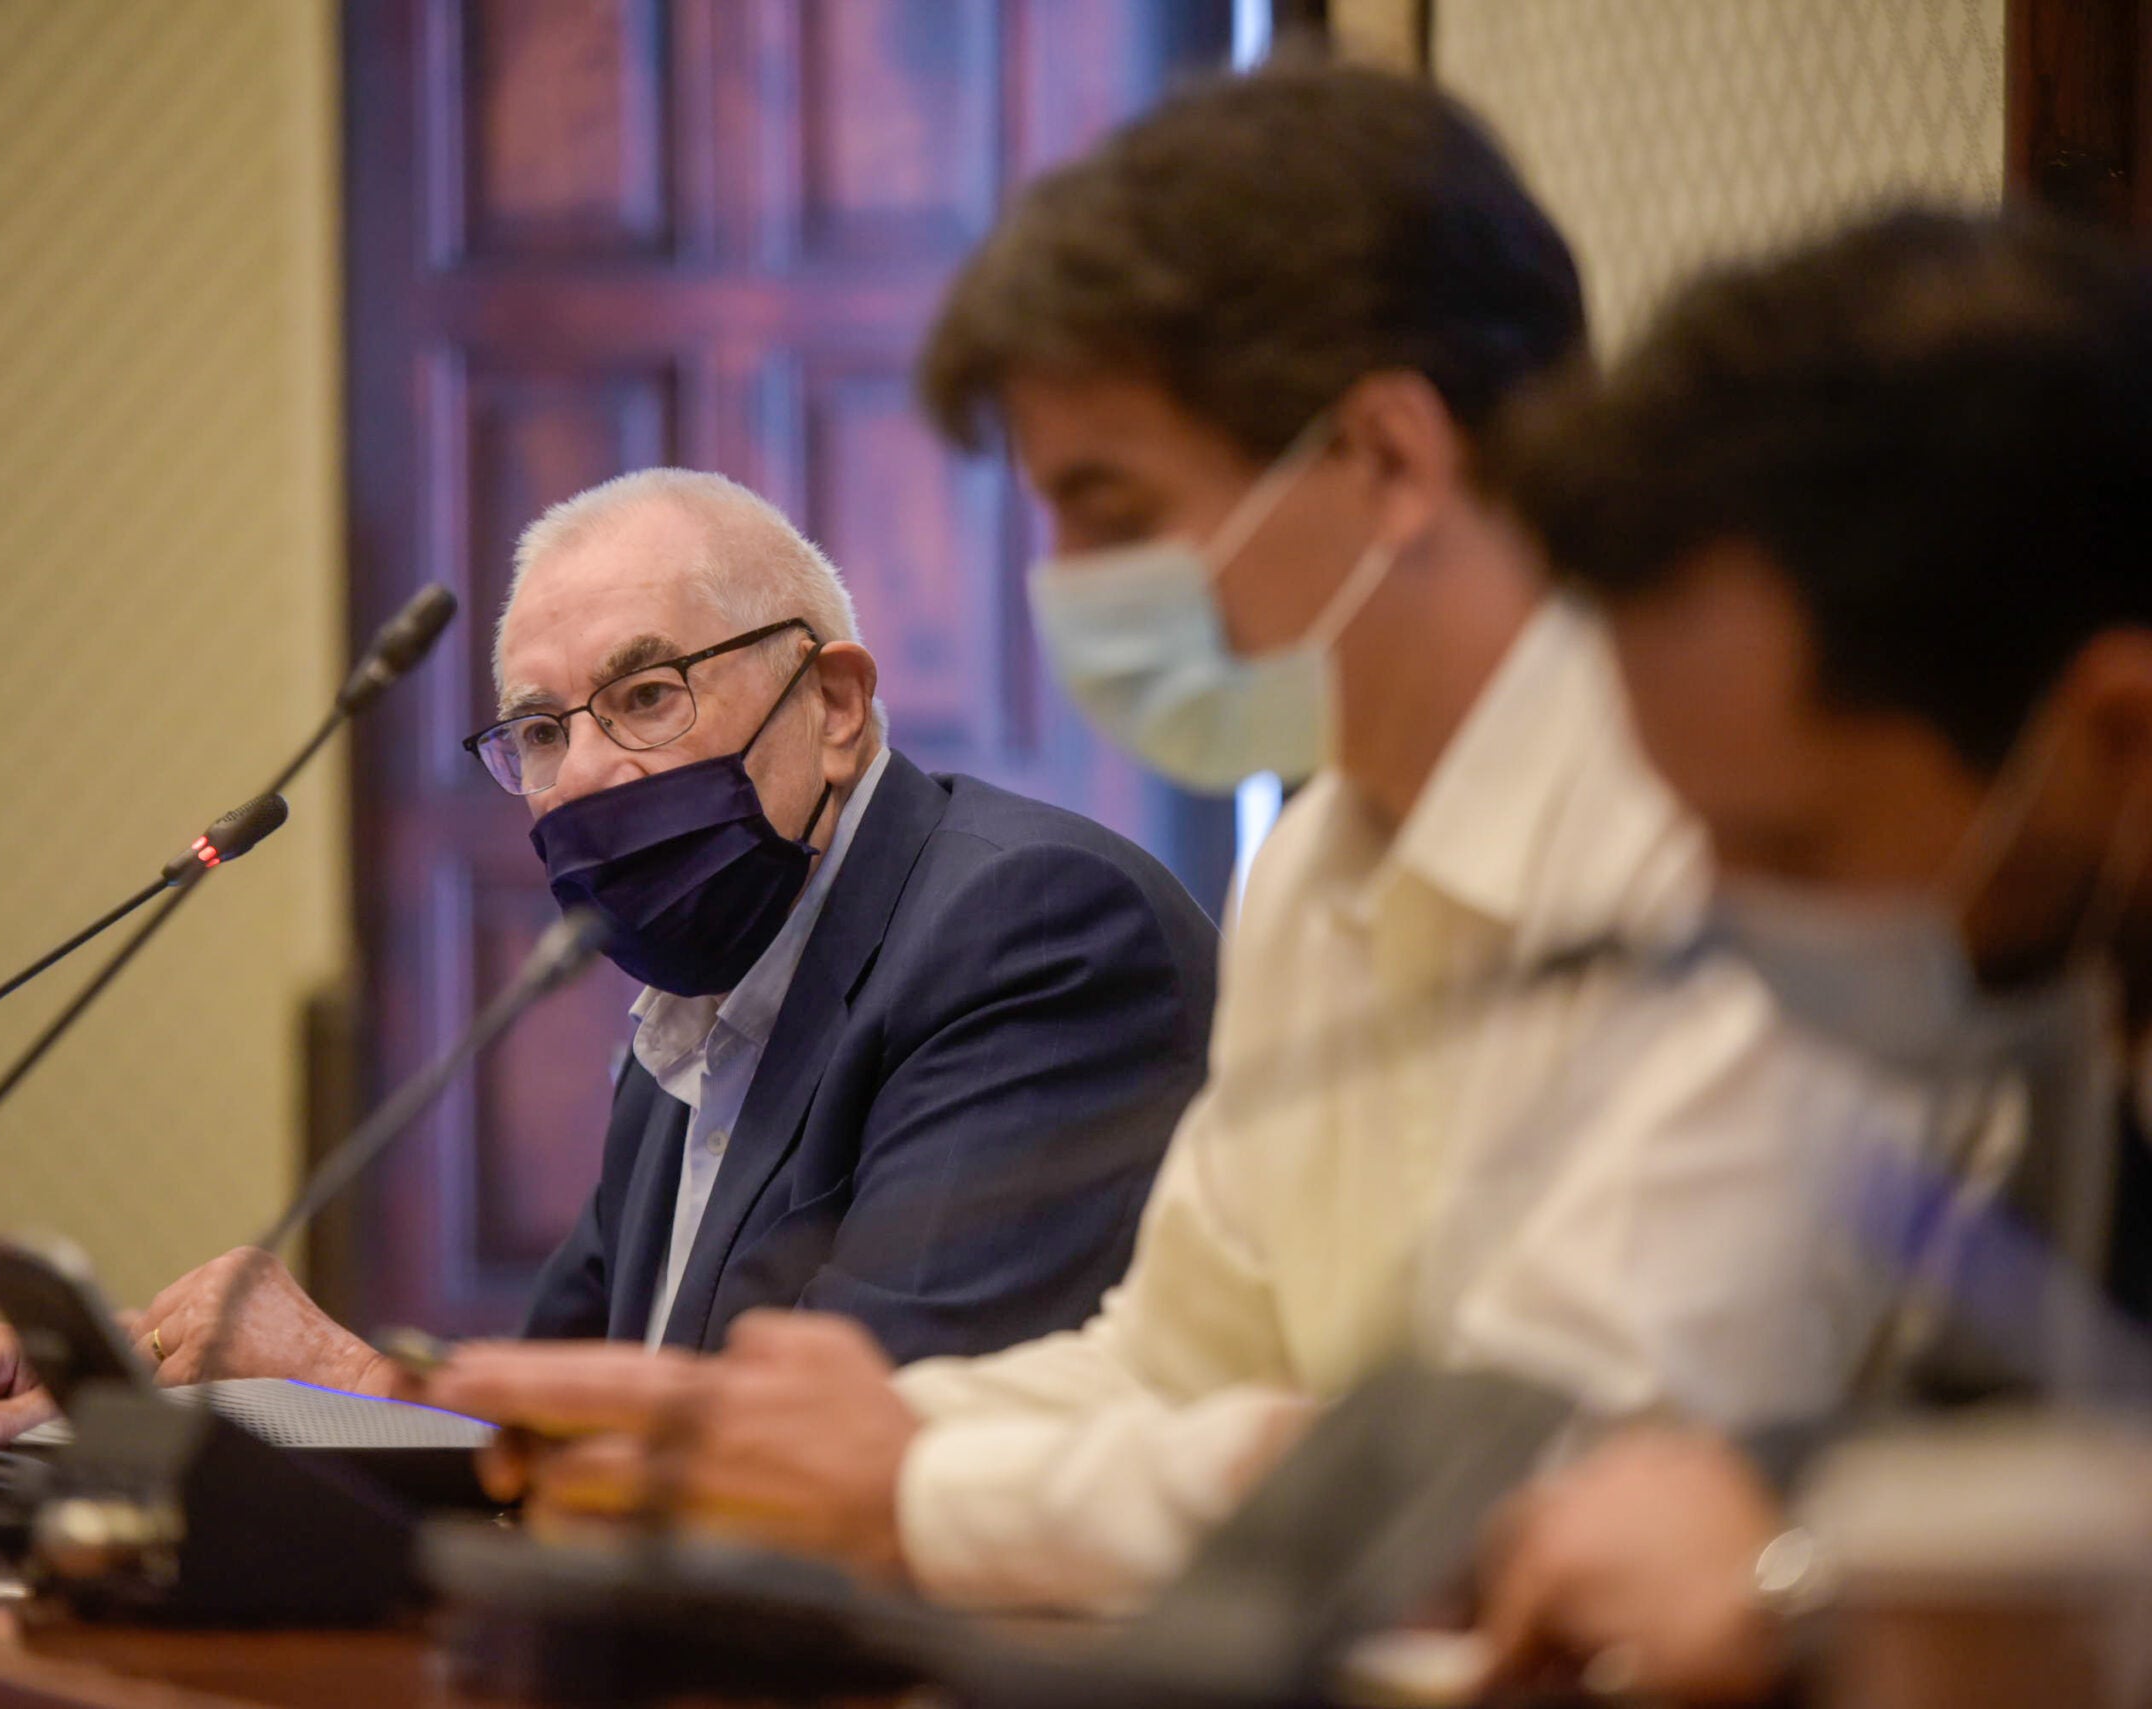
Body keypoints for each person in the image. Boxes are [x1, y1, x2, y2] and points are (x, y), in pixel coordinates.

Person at [409, 57, 1936, 1615]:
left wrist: (913, 1481)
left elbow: (1545, 1466)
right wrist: (755, 1443)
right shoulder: (1324, 854)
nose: (1060, 586)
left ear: (1390, 460)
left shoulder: (1728, 830)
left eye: (1119, 509)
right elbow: (1183, 1355)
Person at [0, 469, 1219, 1444]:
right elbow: (519, 1442)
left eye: (646, 696)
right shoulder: (692, 1013)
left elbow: (854, 1456)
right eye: (537, 729)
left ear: (834, 705)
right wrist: (169, 1401)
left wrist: (351, 1379)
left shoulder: (1034, 929)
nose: (582, 770)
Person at [1474, 208, 2152, 1701]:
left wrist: (1798, 1580)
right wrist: (1732, 1496)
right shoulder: (2076, 991)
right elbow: (1997, 1439)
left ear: (2115, 735)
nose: (1728, 922)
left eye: (1793, 848)